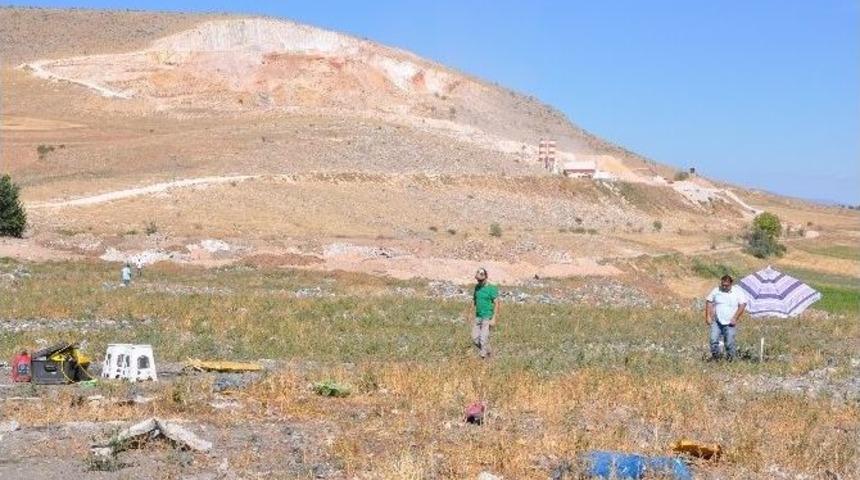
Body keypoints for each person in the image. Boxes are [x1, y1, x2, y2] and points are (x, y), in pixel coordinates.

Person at [705, 274, 747, 360]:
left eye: (726, 285)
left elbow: (742, 304)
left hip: (730, 323)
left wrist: (735, 318)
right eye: (722, 285)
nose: (724, 287)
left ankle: (731, 360)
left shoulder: (737, 292)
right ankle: (716, 359)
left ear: (731, 284)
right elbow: (709, 301)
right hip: (717, 321)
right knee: (713, 341)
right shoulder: (716, 290)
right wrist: (708, 316)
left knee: (729, 343)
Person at [470, 267, 500, 359]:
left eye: (480, 280)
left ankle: (484, 358)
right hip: (478, 316)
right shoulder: (477, 288)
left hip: (487, 317)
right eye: (478, 280)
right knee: (475, 338)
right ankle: (488, 351)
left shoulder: (492, 289)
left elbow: (497, 303)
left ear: (486, 278)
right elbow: (474, 301)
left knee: (483, 339)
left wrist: (494, 318)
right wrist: (470, 313)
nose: (479, 282)